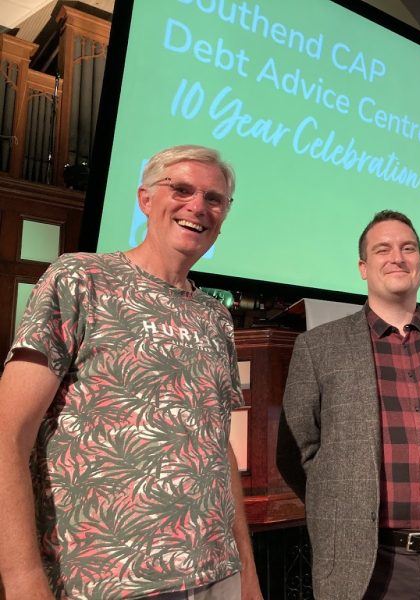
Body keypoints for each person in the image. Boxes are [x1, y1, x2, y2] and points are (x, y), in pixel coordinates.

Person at [0, 145, 262, 600]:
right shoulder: (80, 279)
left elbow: (219, 451)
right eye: (181, 190)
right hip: (105, 581)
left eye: (214, 198)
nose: (198, 206)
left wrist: (248, 576)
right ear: (145, 199)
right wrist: (22, 580)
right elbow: (8, 434)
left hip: (217, 576)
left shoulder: (215, 316)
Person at [277, 210, 420, 599]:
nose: (397, 257)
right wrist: (344, 502)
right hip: (369, 567)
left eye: (407, 248)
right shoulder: (318, 348)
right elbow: (295, 453)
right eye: (383, 249)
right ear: (363, 268)